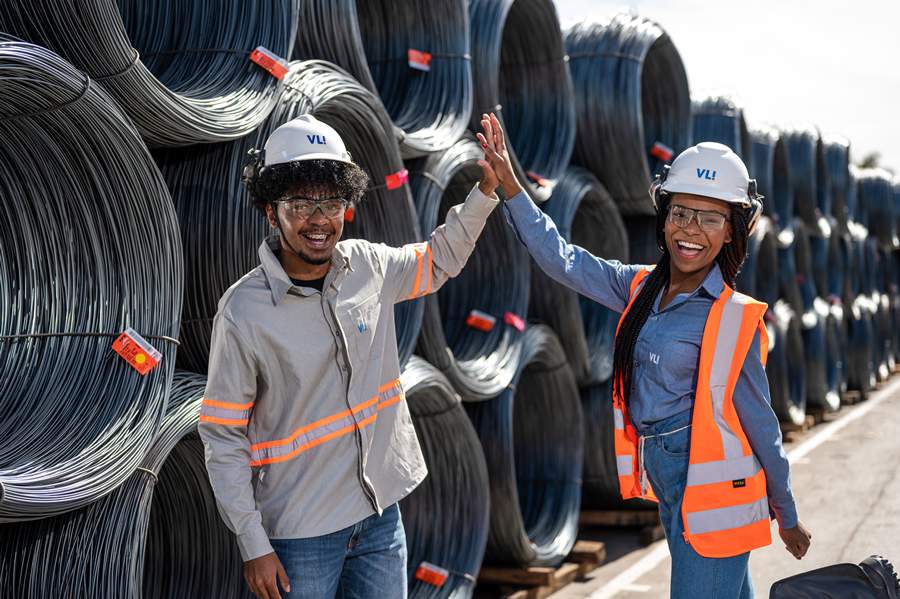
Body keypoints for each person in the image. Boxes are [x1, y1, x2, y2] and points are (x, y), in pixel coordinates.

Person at [476, 113, 812, 598]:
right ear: (664, 215)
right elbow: (561, 259)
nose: (691, 229)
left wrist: (787, 514)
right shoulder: (638, 289)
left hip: (714, 501)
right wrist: (511, 186)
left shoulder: (731, 318)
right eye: (681, 212)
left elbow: (762, 424)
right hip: (672, 485)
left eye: (710, 218)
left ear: (732, 232)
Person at [198, 114, 502, 599]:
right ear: (271, 212)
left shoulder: (369, 267)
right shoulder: (243, 312)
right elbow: (223, 436)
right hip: (300, 533)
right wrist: (253, 543)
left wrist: (484, 191)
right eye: (300, 204)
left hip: (379, 519)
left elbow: (439, 259)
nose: (319, 219)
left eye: (332, 202)